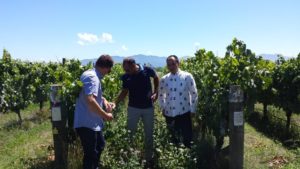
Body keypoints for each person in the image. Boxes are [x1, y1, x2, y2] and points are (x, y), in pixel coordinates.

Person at [114, 57, 159, 166]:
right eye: (124, 70)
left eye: (127, 69)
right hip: (133, 108)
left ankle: (149, 159)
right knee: (130, 133)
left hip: (148, 108)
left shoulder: (147, 70)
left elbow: (156, 78)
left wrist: (155, 92)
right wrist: (115, 102)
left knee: (149, 133)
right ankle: (130, 156)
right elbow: (124, 92)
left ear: (134, 65)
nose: (126, 72)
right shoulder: (126, 77)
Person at [74, 54, 115, 169]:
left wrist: (104, 100)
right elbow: (90, 101)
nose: (108, 73)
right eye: (109, 70)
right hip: (87, 123)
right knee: (91, 155)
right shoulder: (93, 78)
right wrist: (106, 115)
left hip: (92, 123)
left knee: (100, 146)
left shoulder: (90, 74)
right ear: (106, 67)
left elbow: (90, 95)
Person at [158, 55, 198, 148]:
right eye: (168, 65)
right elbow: (161, 94)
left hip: (184, 112)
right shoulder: (164, 79)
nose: (171, 66)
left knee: (187, 138)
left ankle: (188, 158)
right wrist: (163, 107)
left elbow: (194, 93)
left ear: (178, 63)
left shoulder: (187, 76)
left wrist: (193, 109)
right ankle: (175, 157)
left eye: (173, 64)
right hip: (169, 113)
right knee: (173, 138)